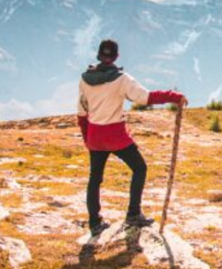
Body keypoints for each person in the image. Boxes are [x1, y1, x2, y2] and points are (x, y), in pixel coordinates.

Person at [78, 38, 186, 236]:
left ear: (99, 55)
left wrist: (87, 138)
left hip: (95, 136)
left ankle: (94, 222)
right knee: (139, 168)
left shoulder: (85, 79)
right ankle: (133, 214)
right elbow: (145, 97)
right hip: (115, 136)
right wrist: (173, 96)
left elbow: (82, 114)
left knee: (95, 178)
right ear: (116, 57)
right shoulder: (121, 79)